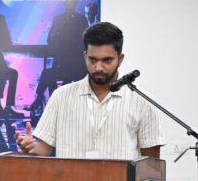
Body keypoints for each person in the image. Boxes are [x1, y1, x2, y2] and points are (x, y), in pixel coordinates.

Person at [15, 22, 163, 159]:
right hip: (71, 179)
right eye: (93, 60)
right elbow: (43, 150)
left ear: (120, 59)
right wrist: (29, 147)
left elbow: (150, 163)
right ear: (85, 57)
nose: (99, 67)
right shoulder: (61, 96)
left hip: (120, 180)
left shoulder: (142, 101)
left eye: (107, 60)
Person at [29, 0, 89, 114]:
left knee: (48, 74)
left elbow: (50, 39)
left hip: (74, 67)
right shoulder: (80, 19)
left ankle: (48, 102)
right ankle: (52, 103)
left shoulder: (62, 19)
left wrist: (58, 46)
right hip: (75, 66)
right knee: (48, 74)